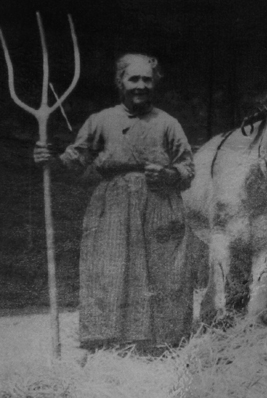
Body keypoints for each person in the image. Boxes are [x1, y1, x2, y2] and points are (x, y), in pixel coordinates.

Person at [34, 53, 195, 352]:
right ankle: (109, 342)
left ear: (155, 83)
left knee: (163, 271)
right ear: (120, 82)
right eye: (133, 79)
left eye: (147, 79)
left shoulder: (168, 123)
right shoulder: (101, 120)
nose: (140, 85)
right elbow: (75, 159)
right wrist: (51, 161)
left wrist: (169, 173)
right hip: (113, 206)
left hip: (159, 204)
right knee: (108, 268)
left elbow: (188, 168)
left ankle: (161, 343)